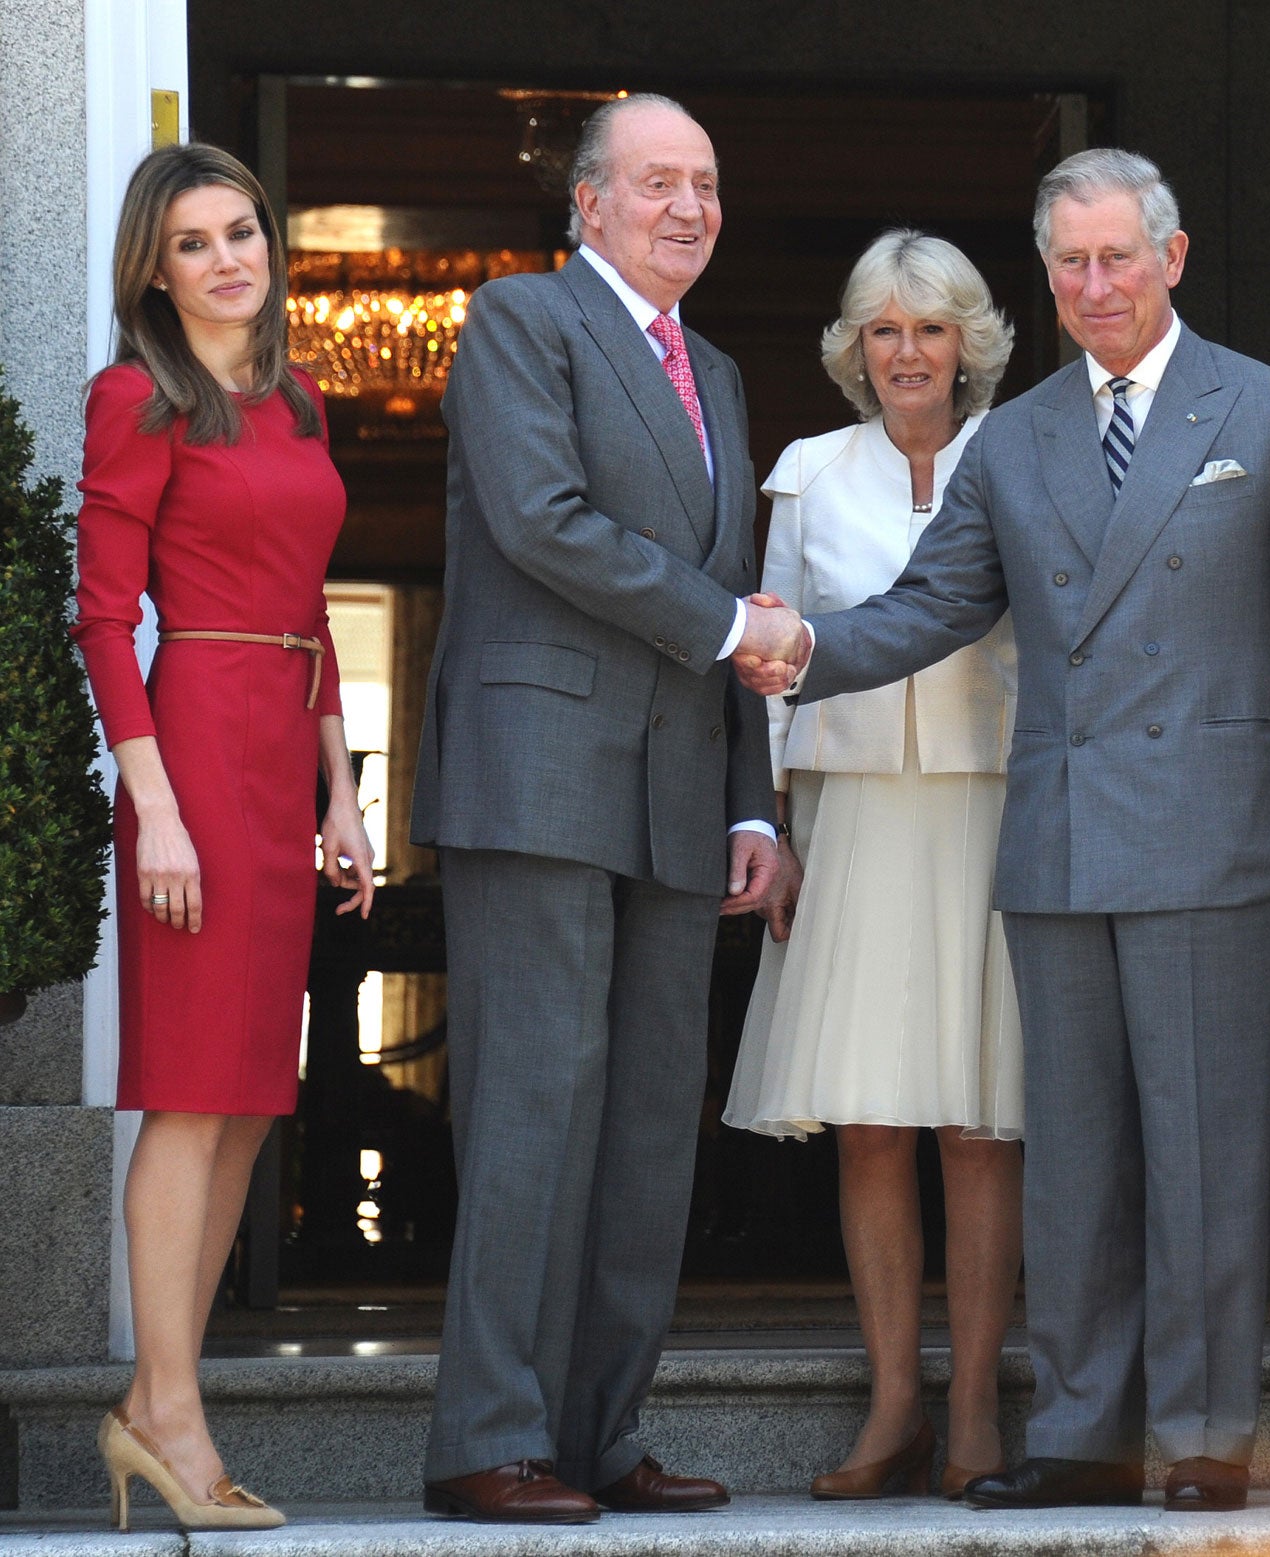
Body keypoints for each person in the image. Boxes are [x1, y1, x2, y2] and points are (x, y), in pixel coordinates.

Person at [736, 148, 1270, 1513]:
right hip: (1060, 837)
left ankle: (1202, 1436)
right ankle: (1082, 1431)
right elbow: (930, 608)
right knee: (1073, 1153)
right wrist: (799, 652)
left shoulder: (1269, 413)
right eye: (1071, 264)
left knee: (1203, 1150)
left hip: (1219, 837)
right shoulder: (1016, 436)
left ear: (1174, 257)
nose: (1096, 286)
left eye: (1117, 259)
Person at [410, 93, 786, 1523]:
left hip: (684, 792)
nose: (687, 207)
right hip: (542, 774)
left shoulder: (723, 373)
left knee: (643, 1128)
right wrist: (728, 629)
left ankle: (599, 1430)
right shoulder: (522, 325)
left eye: (704, 183)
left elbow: (732, 592)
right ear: (588, 205)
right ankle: (486, 1438)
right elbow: (543, 521)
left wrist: (751, 800)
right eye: (655, 184)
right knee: (531, 1110)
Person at [73, 142, 376, 1532]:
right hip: (191, 743)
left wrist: (343, 791)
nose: (227, 259)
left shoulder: (300, 400)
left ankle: (155, 1398)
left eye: (242, 231)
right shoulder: (137, 399)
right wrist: (158, 812)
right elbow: (102, 617)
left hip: (280, 749)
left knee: (253, 1092)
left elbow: (311, 606)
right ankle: (173, 1414)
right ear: (155, 267)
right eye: (193, 242)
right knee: (189, 1090)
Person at [723, 229, 1024, 1501]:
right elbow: (765, 672)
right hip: (846, 817)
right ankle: (891, 1403)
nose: (906, 353)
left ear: (971, 345)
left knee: (977, 1127)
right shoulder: (805, 472)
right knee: (867, 1127)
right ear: (854, 347)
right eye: (883, 330)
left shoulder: (1021, 457)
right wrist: (770, 823)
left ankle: (973, 1414)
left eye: (931, 328)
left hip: (989, 813)